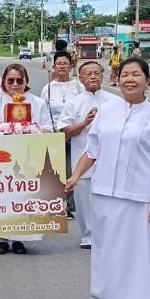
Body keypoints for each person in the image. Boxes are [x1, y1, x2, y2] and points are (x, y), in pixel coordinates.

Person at [62, 57, 150, 299]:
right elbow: (92, 149)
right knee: (104, 248)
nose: (130, 79)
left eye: (136, 74)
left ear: (147, 80)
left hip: (137, 196)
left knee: (134, 251)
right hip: (103, 191)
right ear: (117, 79)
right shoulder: (107, 111)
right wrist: (75, 176)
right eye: (124, 75)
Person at [0, 62, 51, 255]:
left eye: (19, 80)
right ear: (3, 81)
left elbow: (47, 129)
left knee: (24, 200)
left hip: (28, 161)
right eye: (10, 80)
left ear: (26, 82)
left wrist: (32, 131)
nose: (14, 84)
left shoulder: (38, 103)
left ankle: (21, 240)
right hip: (2, 162)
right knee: (2, 200)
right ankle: (2, 239)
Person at [63, 59, 109, 249]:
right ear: (80, 78)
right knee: (83, 201)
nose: (92, 76)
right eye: (88, 74)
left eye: (96, 73)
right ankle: (88, 236)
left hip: (107, 161)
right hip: (80, 158)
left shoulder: (115, 101)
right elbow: (64, 131)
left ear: (102, 76)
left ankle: (107, 236)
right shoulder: (74, 103)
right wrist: (84, 122)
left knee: (106, 201)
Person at [40, 49, 83, 132]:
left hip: (75, 134)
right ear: (54, 67)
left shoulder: (79, 87)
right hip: (54, 135)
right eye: (59, 64)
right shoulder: (47, 89)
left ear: (71, 67)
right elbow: (43, 114)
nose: (62, 66)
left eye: (65, 64)